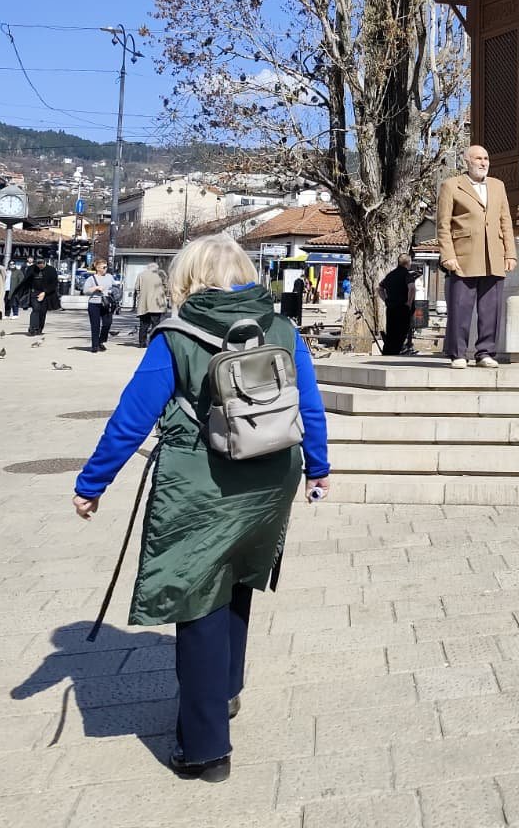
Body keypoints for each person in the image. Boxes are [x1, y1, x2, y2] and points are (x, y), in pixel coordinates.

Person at [71, 234, 330, 781]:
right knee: (237, 576)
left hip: (200, 482)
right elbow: (310, 401)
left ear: (187, 278)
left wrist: (93, 483)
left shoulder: (176, 334)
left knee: (196, 598)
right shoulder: (280, 327)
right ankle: (227, 689)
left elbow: (131, 417)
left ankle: (206, 747)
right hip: (272, 473)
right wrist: (319, 467)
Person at [437, 144, 518, 370]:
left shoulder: (497, 186)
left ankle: (486, 353)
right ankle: (458, 354)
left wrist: (510, 253)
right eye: (478, 159)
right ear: (467, 161)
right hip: (463, 256)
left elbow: (506, 221)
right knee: (460, 308)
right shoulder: (451, 186)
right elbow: (443, 225)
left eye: (486, 158)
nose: (483, 163)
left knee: (490, 310)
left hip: (494, 255)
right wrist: (447, 256)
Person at [378, 253, 424, 356]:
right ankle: (396, 352)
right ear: (409, 262)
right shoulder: (407, 274)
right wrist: (408, 302)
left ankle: (387, 352)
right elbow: (412, 288)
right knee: (401, 332)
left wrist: (385, 300)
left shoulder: (390, 275)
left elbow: (380, 288)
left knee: (391, 331)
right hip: (403, 307)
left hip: (391, 307)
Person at [83, 259, 117, 352]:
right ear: (98, 268)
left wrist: (113, 292)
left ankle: (101, 341)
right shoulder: (91, 279)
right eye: (104, 267)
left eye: (106, 267)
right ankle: (95, 346)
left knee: (107, 323)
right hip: (94, 304)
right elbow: (85, 291)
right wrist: (96, 288)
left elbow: (115, 287)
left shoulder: (109, 277)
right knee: (95, 325)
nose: (106, 268)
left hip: (106, 303)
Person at [135, 263, 170, 347]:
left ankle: (142, 343)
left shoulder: (141, 275)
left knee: (143, 324)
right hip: (157, 304)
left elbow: (137, 288)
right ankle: (154, 343)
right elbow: (166, 287)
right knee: (156, 324)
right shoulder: (161, 274)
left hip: (144, 304)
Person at [26, 258, 59, 336]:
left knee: (42, 312)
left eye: (41, 266)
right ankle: (33, 328)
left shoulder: (51, 270)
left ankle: (39, 328)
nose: (40, 267)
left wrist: (45, 292)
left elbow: (54, 284)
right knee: (36, 309)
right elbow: (27, 280)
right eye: (38, 265)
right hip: (34, 292)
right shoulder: (31, 269)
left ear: (45, 263)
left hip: (46, 293)